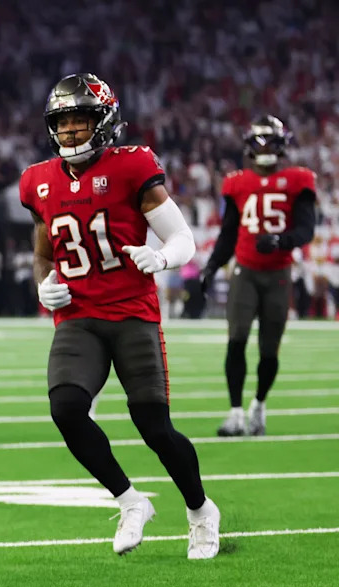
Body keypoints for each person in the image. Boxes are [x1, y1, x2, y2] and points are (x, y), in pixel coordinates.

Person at [19, 73, 220, 560]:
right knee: (66, 409)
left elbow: (182, 238)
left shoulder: (133, 166)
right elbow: (45, 253)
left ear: (103, 121)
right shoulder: (38, 181)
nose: (69, 132)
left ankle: (200, 511)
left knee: (153, 426)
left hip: (132, 313)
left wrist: (164, 259)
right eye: (62, 123)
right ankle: (131, 502)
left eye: (79, 120)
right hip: (80, 317)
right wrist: (44, 286)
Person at [201, 115, 317, 437]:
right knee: (236, 340)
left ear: (282, 145)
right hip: (246, 271)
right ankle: (235, 412)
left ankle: (259, 405)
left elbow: (307, 229)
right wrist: (211, 266)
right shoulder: (236, 182)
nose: (264, 148)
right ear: (249, 146)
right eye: (259, 141)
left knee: (269, 349)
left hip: (278, 272)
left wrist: (281, 241)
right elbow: (227, 234)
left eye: (270, 142)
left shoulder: (299, 179)